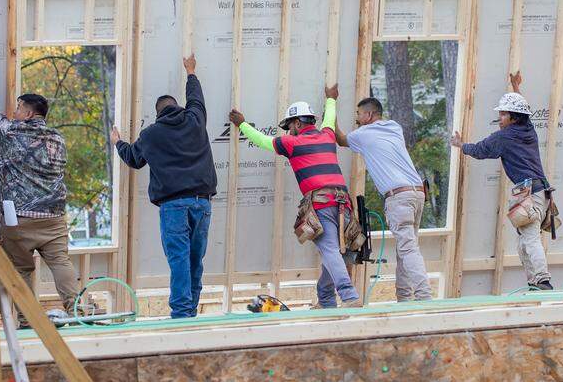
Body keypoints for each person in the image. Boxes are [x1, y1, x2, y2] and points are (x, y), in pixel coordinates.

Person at [229, 86, 363, 309]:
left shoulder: (292, 143)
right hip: (343, 202)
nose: (289, 131)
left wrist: (241, 123)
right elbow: (329, 119)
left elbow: (262, 141)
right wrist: (331, 99)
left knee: (329, 249)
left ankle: (349, 296)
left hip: (322, 203)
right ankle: (326, 299)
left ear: (298, 123)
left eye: (290, 126)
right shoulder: (327, 135)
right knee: (337, 252)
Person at [112, 55, 216, 318]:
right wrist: (191, 71)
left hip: (174, 207)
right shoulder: (195, 119)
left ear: (158, 113)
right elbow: (196, 98)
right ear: (178, 107)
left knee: (179, 258)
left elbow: (134, 159)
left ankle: (182, 313)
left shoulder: (151, 134)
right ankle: (189, 310)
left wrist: (118, 142)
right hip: (202, 202)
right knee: (195, 259)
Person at [0, 66, 78, 309]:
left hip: (19, 220)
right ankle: (76, 309)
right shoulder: (58, 138)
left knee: (21, 268)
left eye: (17, 109)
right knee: (60, 262)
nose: (13, 113)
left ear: (28, 114)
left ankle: (27, 320)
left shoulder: (12, 132)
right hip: (53, 217)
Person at [451, 71, 554, 291]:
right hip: (541, 194)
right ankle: (535, 283)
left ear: (513, 118)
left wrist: (460, 145)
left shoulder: (504, 137)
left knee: (530, 238)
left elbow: (480, 150)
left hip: (529, 194)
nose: (500, 119)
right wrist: (516, 87)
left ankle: (543, 281)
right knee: (524, 241)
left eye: (503, 115)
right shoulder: (529, 130)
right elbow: (523, 111)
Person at [334, 92, 432, 301]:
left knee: (408, 249)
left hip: (398, 198)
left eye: (359, 115)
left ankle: (425, 297)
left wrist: (330, 111)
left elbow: (341, 140)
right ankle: (404, 298)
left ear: (369, 115)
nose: (357, 119)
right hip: (417, 194)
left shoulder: (363, 134)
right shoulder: (394, 127)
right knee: (405, 248)